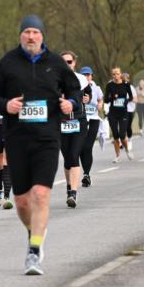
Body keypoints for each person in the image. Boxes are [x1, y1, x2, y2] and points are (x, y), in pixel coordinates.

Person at [0, 15, 82, 276]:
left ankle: (34, 251)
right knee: (22, 202)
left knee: (40, 194)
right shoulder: (8, 63)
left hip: (47, 139)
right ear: (20, 35)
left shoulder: (56, 63)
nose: (30, 36)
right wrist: (6, 105)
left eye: (35, 32)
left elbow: (75, 90)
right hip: (17, 139)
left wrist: (71, 103)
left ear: (42, 36)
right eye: (26, 32)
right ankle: (34, 231)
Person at [58, 51, 91, 208]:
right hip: (61, 122)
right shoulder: (54, 79)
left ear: (74, 63)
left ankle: (73, 193)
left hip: (79, 121)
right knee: (67, 159)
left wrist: (88, 98)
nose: (66, 64)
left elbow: (88, 94)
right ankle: (69, 186)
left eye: (69, 61)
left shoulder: (81, 79)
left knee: (74, 155)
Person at [79, 66, 104, 187]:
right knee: (81, 148)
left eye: (88, 75)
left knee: (88, 147)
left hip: (93, 119)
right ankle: (86, 174)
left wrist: (100, 105)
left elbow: (100, 99)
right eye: (84, 75)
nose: (86, 77)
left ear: (91, 76)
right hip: (81, 119)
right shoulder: (77, 86)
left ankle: (86, 174)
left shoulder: (96, 88)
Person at [104, 67, 135, 163]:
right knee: (116, 136)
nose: (115, 76)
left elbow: (131, 97)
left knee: (122, 135)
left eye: (117, 74)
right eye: (114, 74)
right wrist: (112, 98)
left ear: (120, 74)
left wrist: (126, 100)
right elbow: (106, 100)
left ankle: (127, 150)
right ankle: (117, 156)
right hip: (113, 113)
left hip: (123, 113)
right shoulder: (109, 85)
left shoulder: (126, 84)